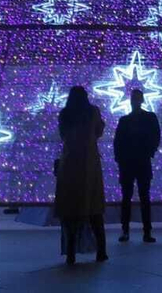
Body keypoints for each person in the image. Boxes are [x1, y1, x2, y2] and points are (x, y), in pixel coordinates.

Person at [55, 86, 107, 266]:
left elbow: (62, 135)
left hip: (70, 163)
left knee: (70, 209)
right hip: (89, 164)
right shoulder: (92, 112)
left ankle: (71, 253)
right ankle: (101, 250)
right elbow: (99, 132)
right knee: (94, 208)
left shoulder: (65, 114)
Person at [113, 87, 161, 244]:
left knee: (141, 197)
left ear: (140, 100)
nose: (135, 101)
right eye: (134, 98)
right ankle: (129, 230)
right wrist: (120, 159)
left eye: (137, 98)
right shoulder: (126, 120)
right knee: (130, 197)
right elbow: (117, 142)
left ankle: (144, 231)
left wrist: (149, 152)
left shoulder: (146, 118)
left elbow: (156, 136)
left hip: (139, 161)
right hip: (131, 162)